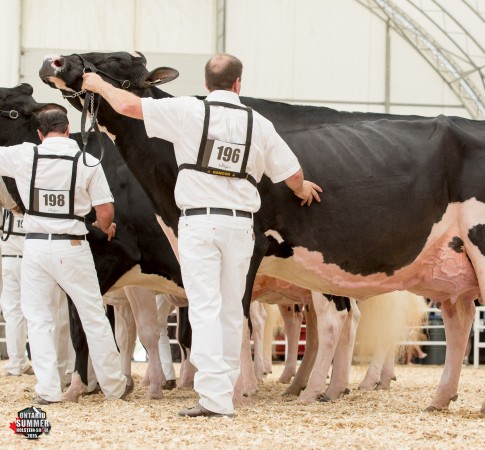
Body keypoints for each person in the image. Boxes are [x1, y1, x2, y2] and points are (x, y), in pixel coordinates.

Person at [82, 53, 322, 418]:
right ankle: (225, 392)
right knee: (232, 309)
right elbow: (292, 173)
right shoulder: (258, 123)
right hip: (241, 226)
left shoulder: (189, 110)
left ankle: (214, 398)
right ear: (238, 84)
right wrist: (302, 188)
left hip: (199, 223)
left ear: (206, 84)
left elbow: (129, 106)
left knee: (206, 307)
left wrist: (98, 84)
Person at [0, 109, 131, 404]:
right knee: (93, 315)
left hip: (34, 246)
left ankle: (47, 390)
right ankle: (114, 387)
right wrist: (104, 226)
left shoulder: (25, 155)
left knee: (38, 319)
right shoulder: (87, 161)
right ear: (68, 129)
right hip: (72, 245)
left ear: (39, 133)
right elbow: (105, 211)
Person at [0, 184, 33, 377]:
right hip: (32, 256)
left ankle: (17, 362)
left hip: (10, 256)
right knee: (38, 313)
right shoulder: (31, 183)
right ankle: (40, 365)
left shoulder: (5, 188)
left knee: (13, 312)